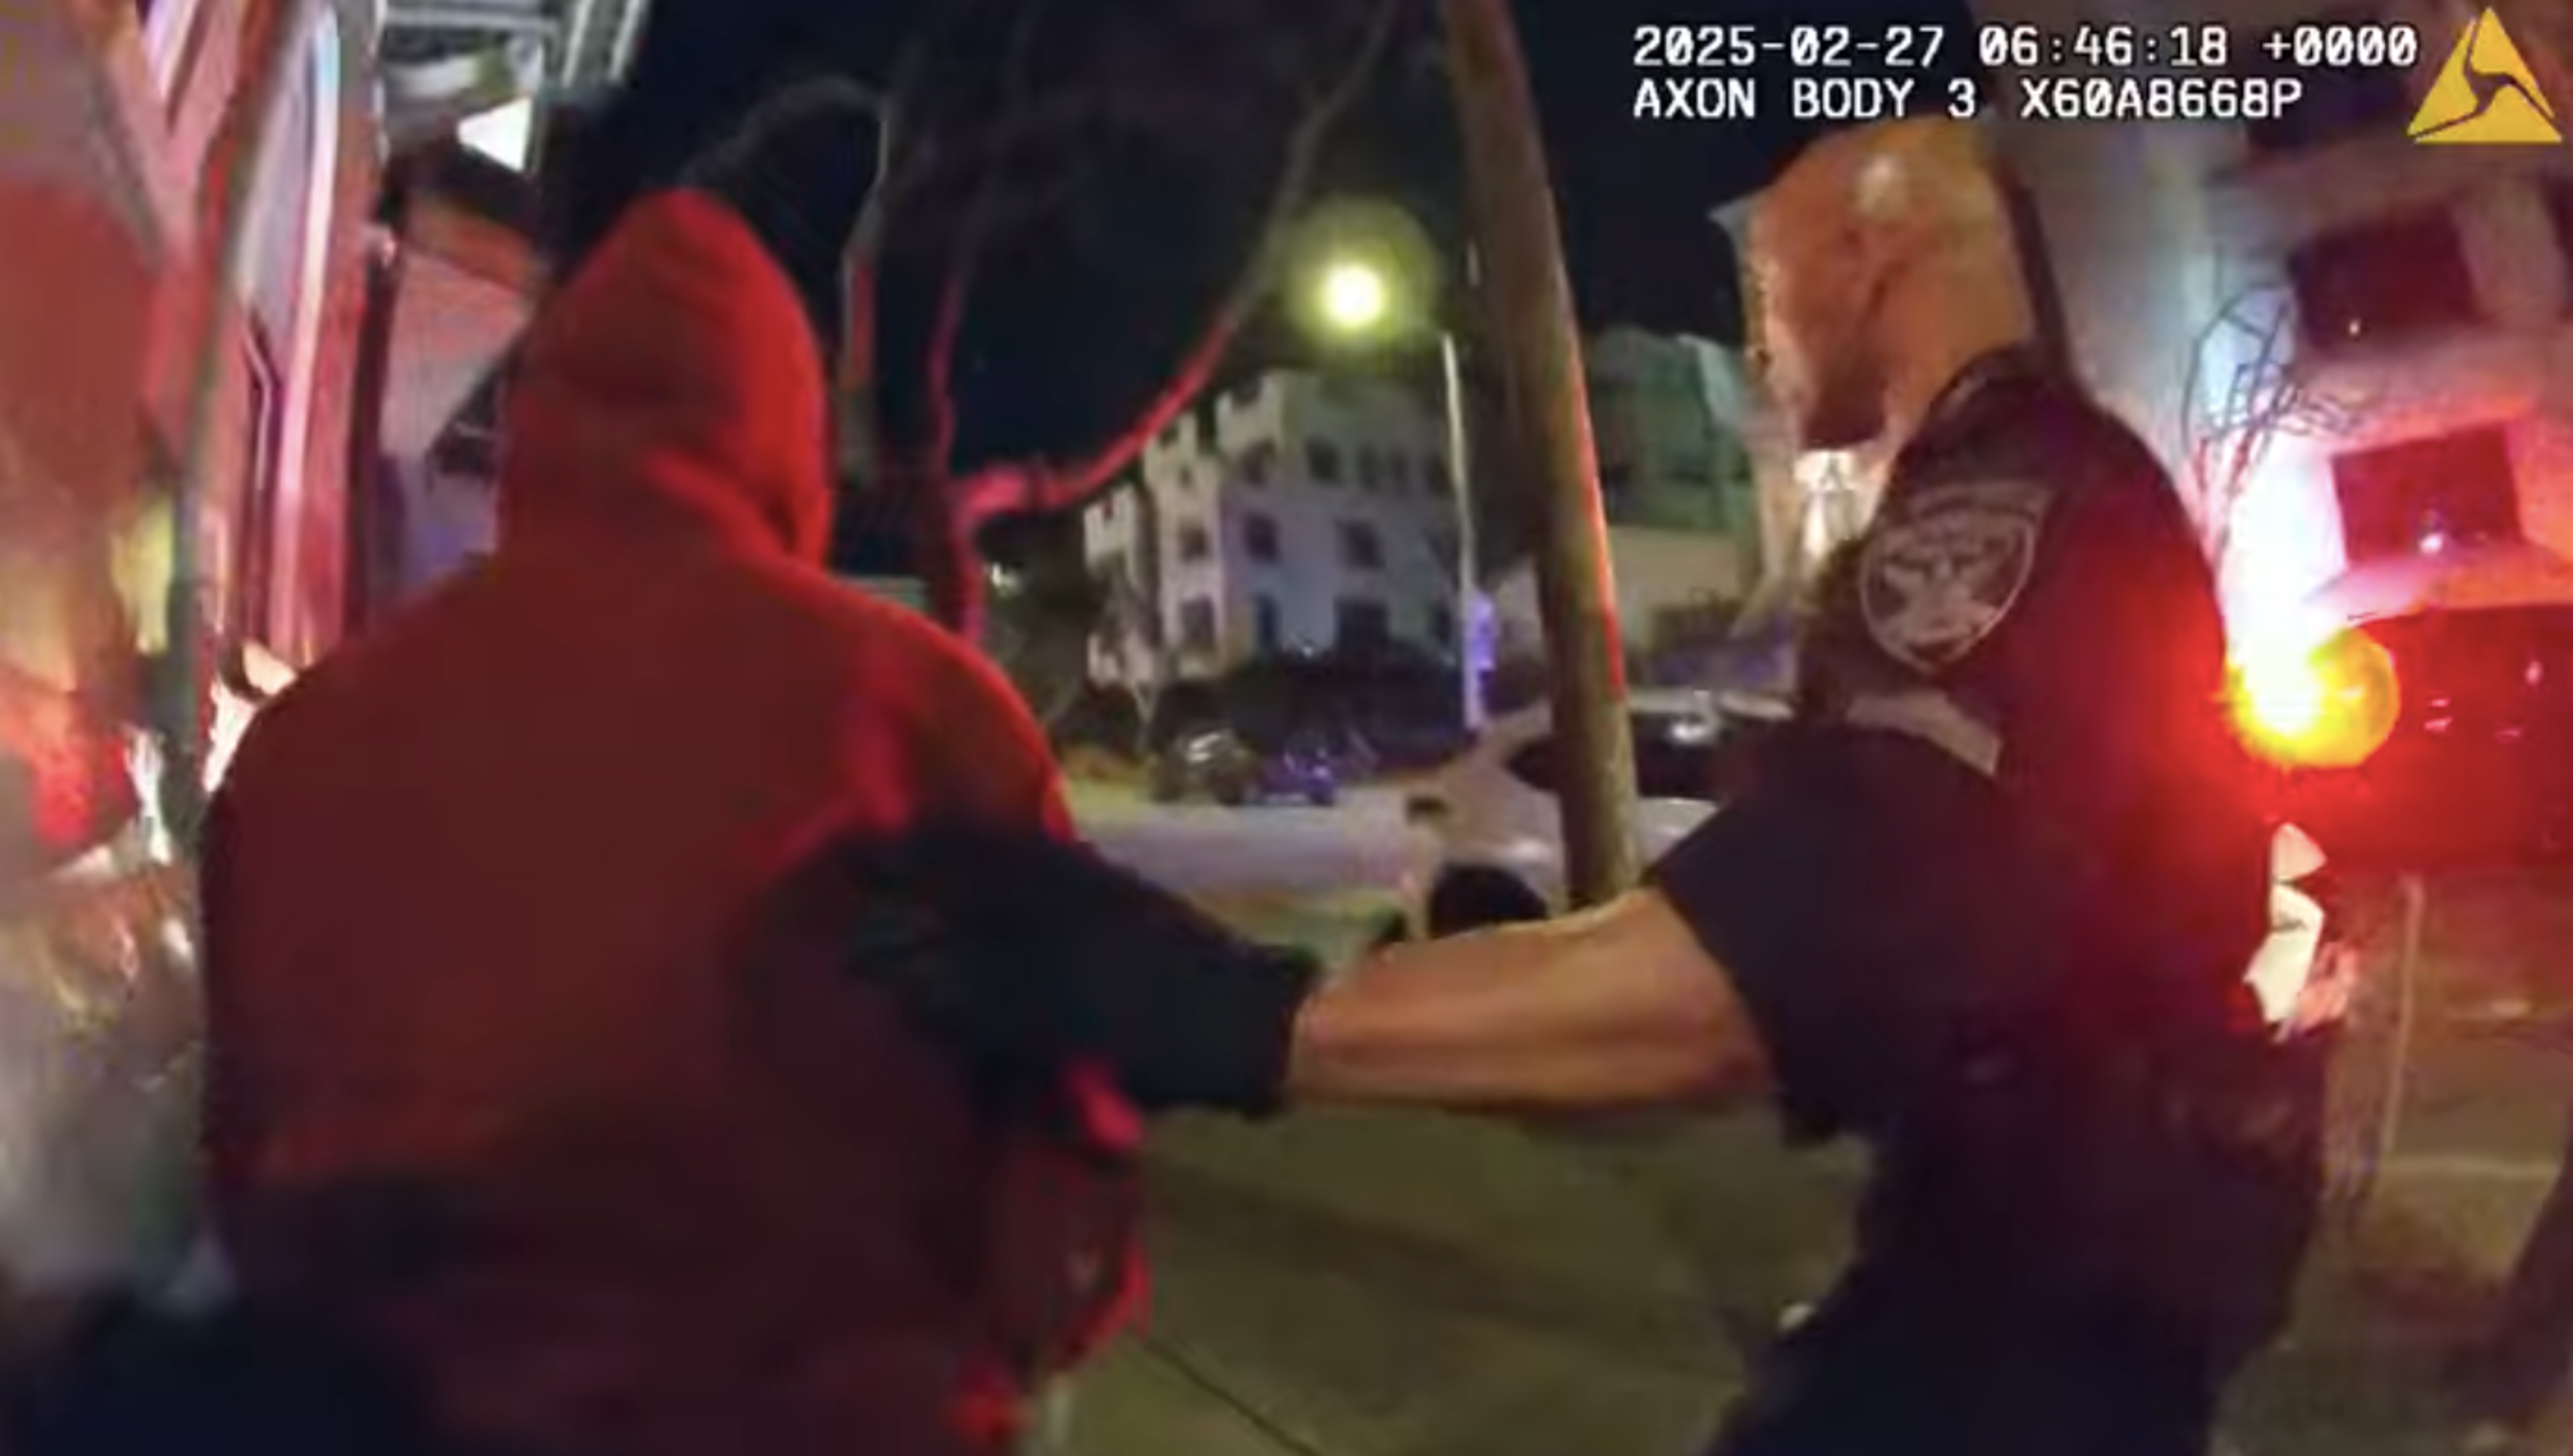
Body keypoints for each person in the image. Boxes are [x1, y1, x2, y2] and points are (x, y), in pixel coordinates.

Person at [842, 118, 2334, 1456]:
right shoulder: (2060, 483)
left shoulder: (2002, 511)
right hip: (2040, 1295)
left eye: (1767, 286)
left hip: (2034, 1342)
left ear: (1877, 252)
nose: (1759, 340)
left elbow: (1780, 959)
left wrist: (1241, 1019)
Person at [196, 75, 1141, 1456]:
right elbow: (1063, 1155)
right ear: (779, 427)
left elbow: (250, 1168)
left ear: (542, 420)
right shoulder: (929, 716)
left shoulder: (311, 739)